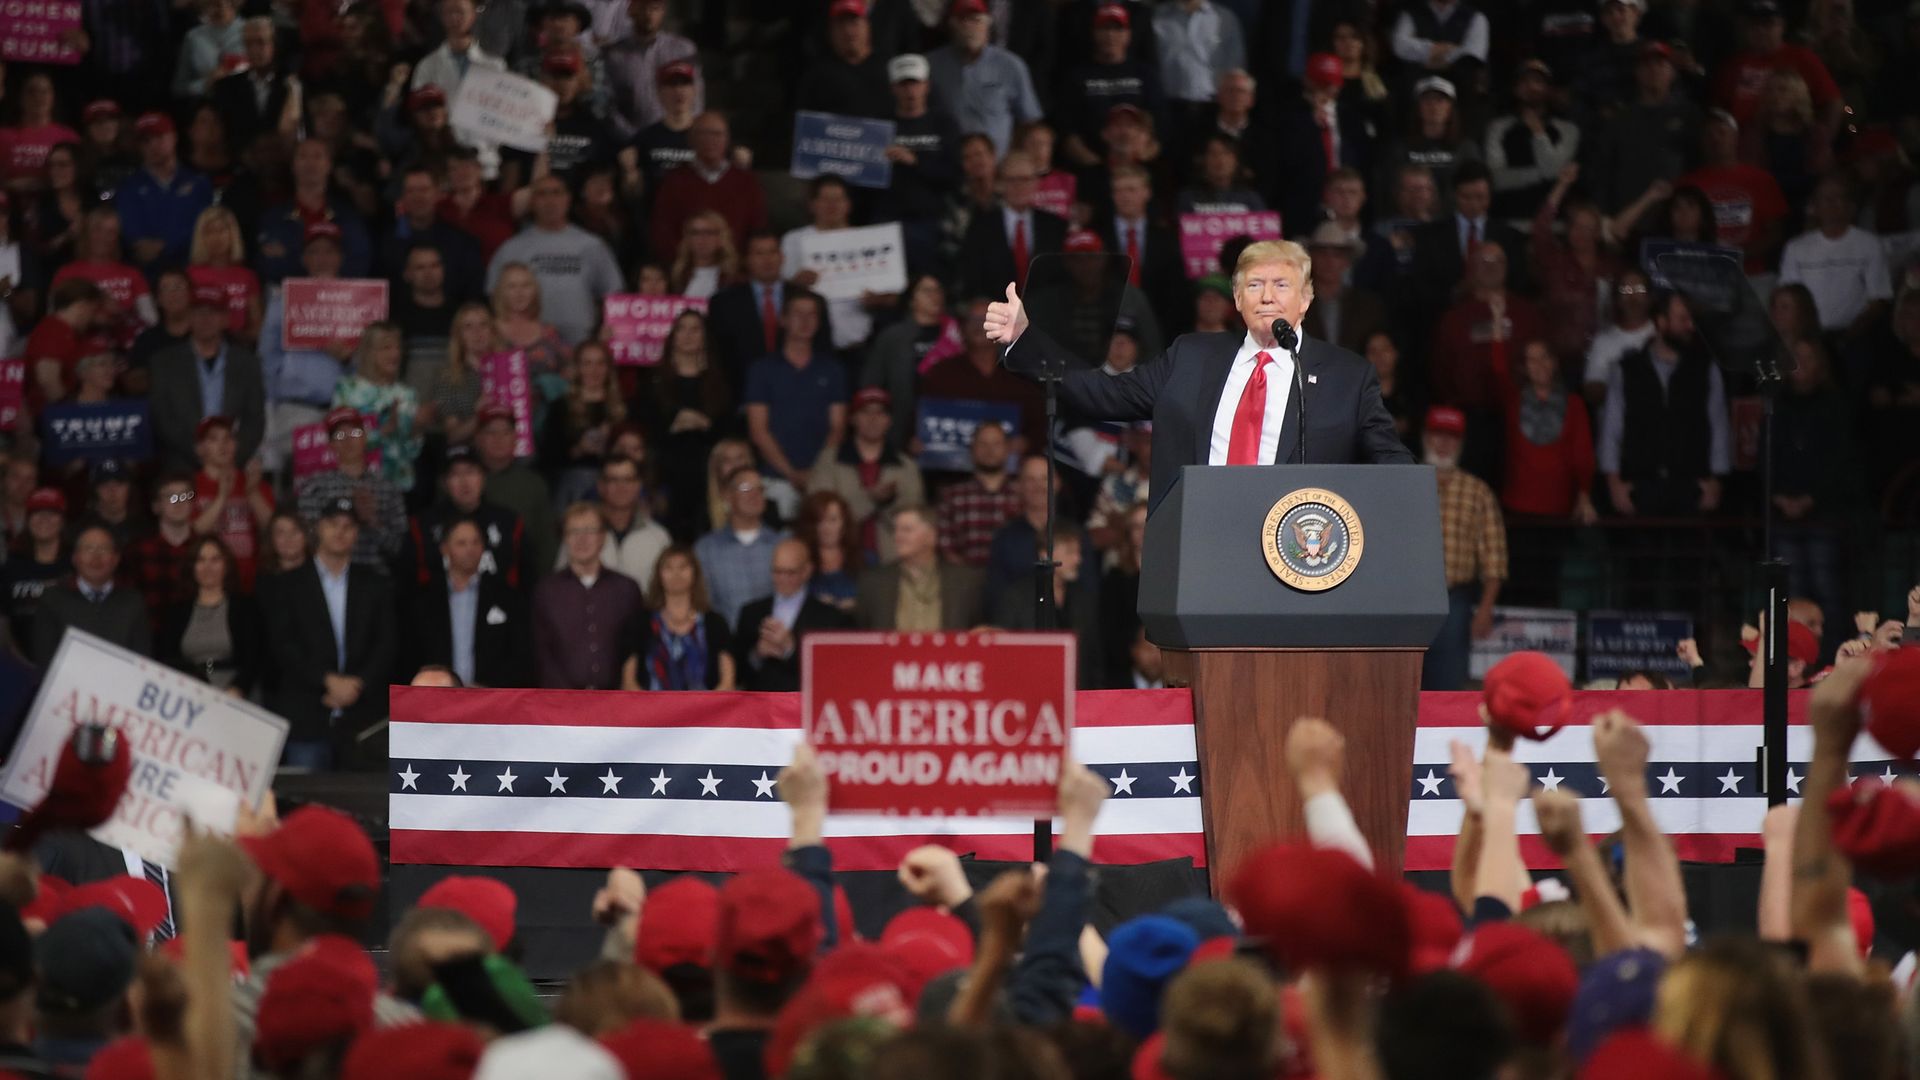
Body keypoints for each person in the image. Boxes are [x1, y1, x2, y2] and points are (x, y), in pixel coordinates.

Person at [987, 239, 1414, 516]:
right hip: (1196, 547)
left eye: (1281, 285)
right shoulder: (1190, 356)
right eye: (1254, 285)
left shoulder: (1347, 376)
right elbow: (1103, 395)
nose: (1267, 296)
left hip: (1300, 555)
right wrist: (1026, 338)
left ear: (1306, 299)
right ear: (1236, 299)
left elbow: (1391, 465)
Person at [268, 496, 396, 768]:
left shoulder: (376, 583)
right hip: (306, 712)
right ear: (318, 528)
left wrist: (358, 683)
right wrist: (327, 681)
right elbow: (283, 645)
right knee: (306, 806)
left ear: (357, 534)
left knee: (363, 805)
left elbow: (387, 642)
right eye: (333, 524)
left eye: (348, 526)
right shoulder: (288, 585)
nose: (340, 531)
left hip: (363, 717)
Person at [1600, 291, 1731, 517]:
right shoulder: (1627, 369)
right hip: (1639, 487)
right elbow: (1612, 429)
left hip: (1691, 488)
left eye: (1692, 319)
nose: (1690, 326)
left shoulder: (1706, 368)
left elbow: (1718, 426)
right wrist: (1614, 484)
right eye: (1682, 319)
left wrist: (1715, 482)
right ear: (1661, 322)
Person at [1420, 407, 1507, 690]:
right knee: (1401, 682)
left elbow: (1494, 558)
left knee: (1447, 686)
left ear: (1461, 444)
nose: (1444, 444)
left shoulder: (1477, 491)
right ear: (1425, 438)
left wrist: (1485, 609)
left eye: (1451, 438)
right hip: (1407, 597)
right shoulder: (1406, 481)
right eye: (1438, 436)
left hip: (1454, 600)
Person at [259, 222, 355, 474]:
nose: (322, 259)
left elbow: (375, 360)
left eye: (329, 251)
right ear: (304, 258)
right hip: (295, 408)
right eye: (314, 252)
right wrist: (269, 411)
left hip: (346, 413)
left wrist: (348, 359)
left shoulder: (360, 300)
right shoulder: (284, 300)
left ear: (341, 258)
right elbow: (267, 360)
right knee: (294, 483)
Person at [485, 175, 624, 346]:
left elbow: (614, 294)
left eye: (556, 193)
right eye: (542, 194)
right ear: (532, 201)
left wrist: (606, 330)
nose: (550, 200)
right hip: (527, 349)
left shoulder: (592, 245)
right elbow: (494, 296)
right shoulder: (511, 249)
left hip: (580, 348)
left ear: (568, 199)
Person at [743, 293, 847, 520]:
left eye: (812, 315)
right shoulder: (762, 370)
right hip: (775, 478)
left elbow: (837, 427)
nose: (805, 320)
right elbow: (758, 430)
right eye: (798, 314)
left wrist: (815, 472)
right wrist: (791, 473)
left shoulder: (832, 370)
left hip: (822, 478)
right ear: (783, 320)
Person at [150, 284, 267, 476]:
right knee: (176, 503)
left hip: (234, 465)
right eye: (198, 312)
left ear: (226, 319)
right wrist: (197, 452)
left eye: (213, 312)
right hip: (181, 469)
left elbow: (255, 419)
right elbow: (162, 417)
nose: (205, 319)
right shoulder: (164, 363)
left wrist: (232, 456)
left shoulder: (247, 363)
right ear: (189, 317)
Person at [409, 516, 533, 688]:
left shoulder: (507, 596)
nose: (470, 549)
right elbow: (411, 654)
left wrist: (486, 687)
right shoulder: (423, 599)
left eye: (476, 542)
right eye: (461, 543)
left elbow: (521, 656)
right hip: (434, 699)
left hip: (490, 699)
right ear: (445, 548)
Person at [532, 503, 645, 690]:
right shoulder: (546, 591)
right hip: (561, 706)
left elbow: (636, 649)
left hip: (617, 705)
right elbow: (542, 656)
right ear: (565, 538)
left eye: (590, 530)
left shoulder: (626, 589)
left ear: (603, 537)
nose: (582, 539)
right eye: (573, 531)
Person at [807, 388, 924, 562]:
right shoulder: (829, 461)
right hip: (839, 560)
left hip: (892, 562)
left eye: (880, 413)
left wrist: (887, 502)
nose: (873, 419)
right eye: (865, 412)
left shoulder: (906, 466)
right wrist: (870, 499)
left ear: (889, 420)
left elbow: (916, 521)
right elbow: (817, 513)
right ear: (853, 418)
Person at [400, 444, 528, 594]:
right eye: (455, 474)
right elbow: (408, 584)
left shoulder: (509, 523)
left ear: (483, 477)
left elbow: (524, 581)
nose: (464, 482)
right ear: (444, 483)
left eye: (471, 472)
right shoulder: (422, 526)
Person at [1778, 175, 1893, 338]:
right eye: (1826, 198)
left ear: (1851, 205)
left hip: (1858, 337)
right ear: (1815, 206)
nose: (1832, 203)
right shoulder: (1796, 248)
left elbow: (1879, 298)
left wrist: (1853, 335)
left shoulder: (1869, 244)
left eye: (1838, 197)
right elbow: (1790, 296)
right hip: (1812, 337)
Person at [730, 539, 849, 692]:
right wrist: (757, 655)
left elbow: (835, 674)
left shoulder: (832, 618)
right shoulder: (751, 613)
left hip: (805, 708)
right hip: (761, 708)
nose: (782, 579)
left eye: (790, 573)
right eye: (777, 572)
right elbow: (737, 672)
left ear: (807, 571)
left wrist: (791, 649)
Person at [296, 407, 408, 567]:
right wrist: (335, 525)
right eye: (340, 435)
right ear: (330, 444)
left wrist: (372, 521)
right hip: (326, 576)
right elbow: (305, 539)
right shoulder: (315, 487)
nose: (348, 440)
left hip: (374, 577)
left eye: (355, 433)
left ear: (365, 437)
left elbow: (400, 548)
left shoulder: (388, 489)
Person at [929, 0, 1044, 155]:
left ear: (988, 24)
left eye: (976, 20)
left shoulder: (1011, 65)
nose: (969, 27)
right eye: (963, 20)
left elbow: (1029, 120)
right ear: (951, 25)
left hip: (997, 166)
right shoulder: (931, 64)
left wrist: (1014, 154)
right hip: (947, 163)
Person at [648, 113, 767, 263]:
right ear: (691, 139)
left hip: (736, 271)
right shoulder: (674, 180)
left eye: (717, 134)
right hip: (686, 271)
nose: (710, 139)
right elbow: (662, 232)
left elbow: (758, 230)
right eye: (703, 133)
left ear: (727, 139)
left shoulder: (747, 181)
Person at [619, 545, 735, 691]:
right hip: (650, 712)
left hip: (707, 712)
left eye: (683, 567)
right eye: (668, 568)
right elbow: (629, 682)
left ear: (695, 573)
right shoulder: (639, 622)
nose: (676, 573)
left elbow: (727, 683)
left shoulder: (715, 622)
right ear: (658, 574)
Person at [30, 525, 150, 666]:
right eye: (88, 549)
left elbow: (142, 659)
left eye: (104, 549)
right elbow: (45, 656)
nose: (96, 557)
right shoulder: (52, 599)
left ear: (116, 559)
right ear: (75, 558)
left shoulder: (133, 601)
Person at [855, 505, 988, 630]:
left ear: (931, 536)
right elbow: (863, 640)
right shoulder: (872, 582)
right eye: (896, 530)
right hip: (888, 655)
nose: (897, 536)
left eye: (907, 530)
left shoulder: (966, 581)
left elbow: (977, 633)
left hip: (948, 655)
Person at [160, 536, 264, 695]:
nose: (208, 567)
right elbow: (168, 658)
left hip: (237, 694)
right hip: (189, 693)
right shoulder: (177, 611)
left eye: (215, 560)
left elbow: (254, 658)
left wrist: (237, 690)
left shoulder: (244, 607)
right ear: (192, 567)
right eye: (201, 560)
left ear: (226, 566)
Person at [958, 151, 1068, 302]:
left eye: (1025, 179)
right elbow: (972, 277)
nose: (1018, 186)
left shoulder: (1055, 226)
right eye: (1011, 180)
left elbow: (1061, 277)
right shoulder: (981, 226)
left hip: (1045, 313)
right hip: (997, 313)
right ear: (1000, 184)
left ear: (1036, 183)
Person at [333, 322, 423, 493]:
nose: (395, 354)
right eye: (386, 348)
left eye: (398, 348)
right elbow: (340, 439)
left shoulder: (406, 394)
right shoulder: (348, 390)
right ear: (369, 352)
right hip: (355, 484)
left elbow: (411, 452)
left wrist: (416, 429)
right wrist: (381, 433)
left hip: (397, 486)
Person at [692, 465, 784, 628]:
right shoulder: (706, 549)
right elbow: (701, 605)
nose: (755, 494)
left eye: (760, 488)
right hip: (727, 645)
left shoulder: (782, 545)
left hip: (775, 643)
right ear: (727, 496)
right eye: (746, 488)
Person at [190, 416, 275, 591]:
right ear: (200, 449)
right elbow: (193, 530)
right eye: (213, 439)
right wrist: (221, 497)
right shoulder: (188, 488)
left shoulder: (254, 482)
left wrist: (252, 493)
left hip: (250, 581)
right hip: (207, 583)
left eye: (228, 438)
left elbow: (272, 528)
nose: (223, 445)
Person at [541, 340, 628, 507]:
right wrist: (578, 450)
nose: (594, 371)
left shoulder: (624, 407)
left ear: (608, 368)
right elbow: (548, 456)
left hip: (615, 480)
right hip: (573, 483)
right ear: (578, 368)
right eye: (587, 363)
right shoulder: (561, 407)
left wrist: (614, 448)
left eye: (600, 363)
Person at [603, 0, 703, 142]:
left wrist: (686, 132)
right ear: (631, 10)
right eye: (643, 8)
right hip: (631, 138)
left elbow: (696, 97)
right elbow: (609, 104)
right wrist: (634, 138)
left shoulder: (683, 49)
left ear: (663, 12)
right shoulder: (614, 54)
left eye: (655, 9)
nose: (649, 15)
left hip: (677, 138)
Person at [477, 403, 559, 575]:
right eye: (491, 432)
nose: (498, 439)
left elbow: (546, 542)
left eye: (506, 432)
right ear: (478, 438)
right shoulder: (462, 481)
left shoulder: (534, 484)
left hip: (521, 579)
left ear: (516, 438)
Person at [936, 422, 1025, 566]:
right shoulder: (952, 496)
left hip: (1014, 583)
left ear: (1008, 449)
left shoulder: (1022, 494)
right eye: (983, 443)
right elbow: (945, 549)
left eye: (996, 444)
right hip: (964, 581)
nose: (989, 450)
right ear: (972, 449)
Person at [575, 455, 671, 585]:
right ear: (601, 486)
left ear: (638, 485)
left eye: (628, 480)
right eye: (613, 480)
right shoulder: (578, 534)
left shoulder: (659, 537)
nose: (621, 487)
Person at [1299, 224, 1387, 353]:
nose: (1329, 261)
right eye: (1322, 254)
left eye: (1337, 255)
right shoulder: (1295, 304)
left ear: (1347, 261)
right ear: (1311, 258)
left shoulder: (1368, 306)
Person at [1582, 266, 1658, 405]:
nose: (1632, 296)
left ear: (1650, 296)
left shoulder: (1663, 337)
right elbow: (1592, 390)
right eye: (1625, 290)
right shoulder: (1603, 341)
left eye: (1639, 289)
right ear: (1617, 299)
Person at [2, 488, 67, 648]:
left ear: (62, 521)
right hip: (18, 661)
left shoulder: (77, 564)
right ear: (28, 520)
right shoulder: (11, 567)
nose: (44, 519)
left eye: (51, 513)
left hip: (70, 661)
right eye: (37, 513)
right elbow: (2, 621)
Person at [793, 490, 862, 611]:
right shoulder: (797, 561)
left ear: (844, 523)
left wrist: (858, 604)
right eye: (820, 521)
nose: (826, 527)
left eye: (833, 520)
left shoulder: (867, 560)